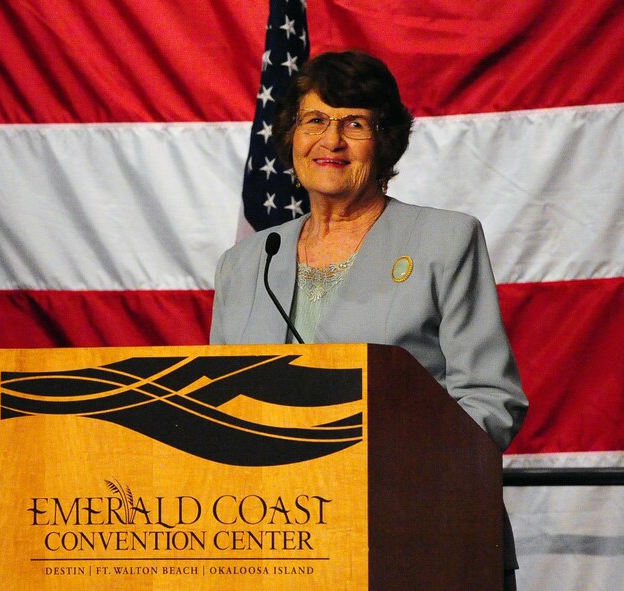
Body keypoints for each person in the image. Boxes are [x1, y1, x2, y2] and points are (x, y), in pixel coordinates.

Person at [210, 50, 528, 590]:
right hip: (275, 544)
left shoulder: (445, 240)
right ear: (291, 137)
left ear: (385, 141)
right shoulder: (245, 262)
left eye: (354, 123)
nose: (331, 141)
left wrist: (395, 478)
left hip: (420, 538)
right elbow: (215, 407)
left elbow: (490, 401)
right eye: (315, 121)